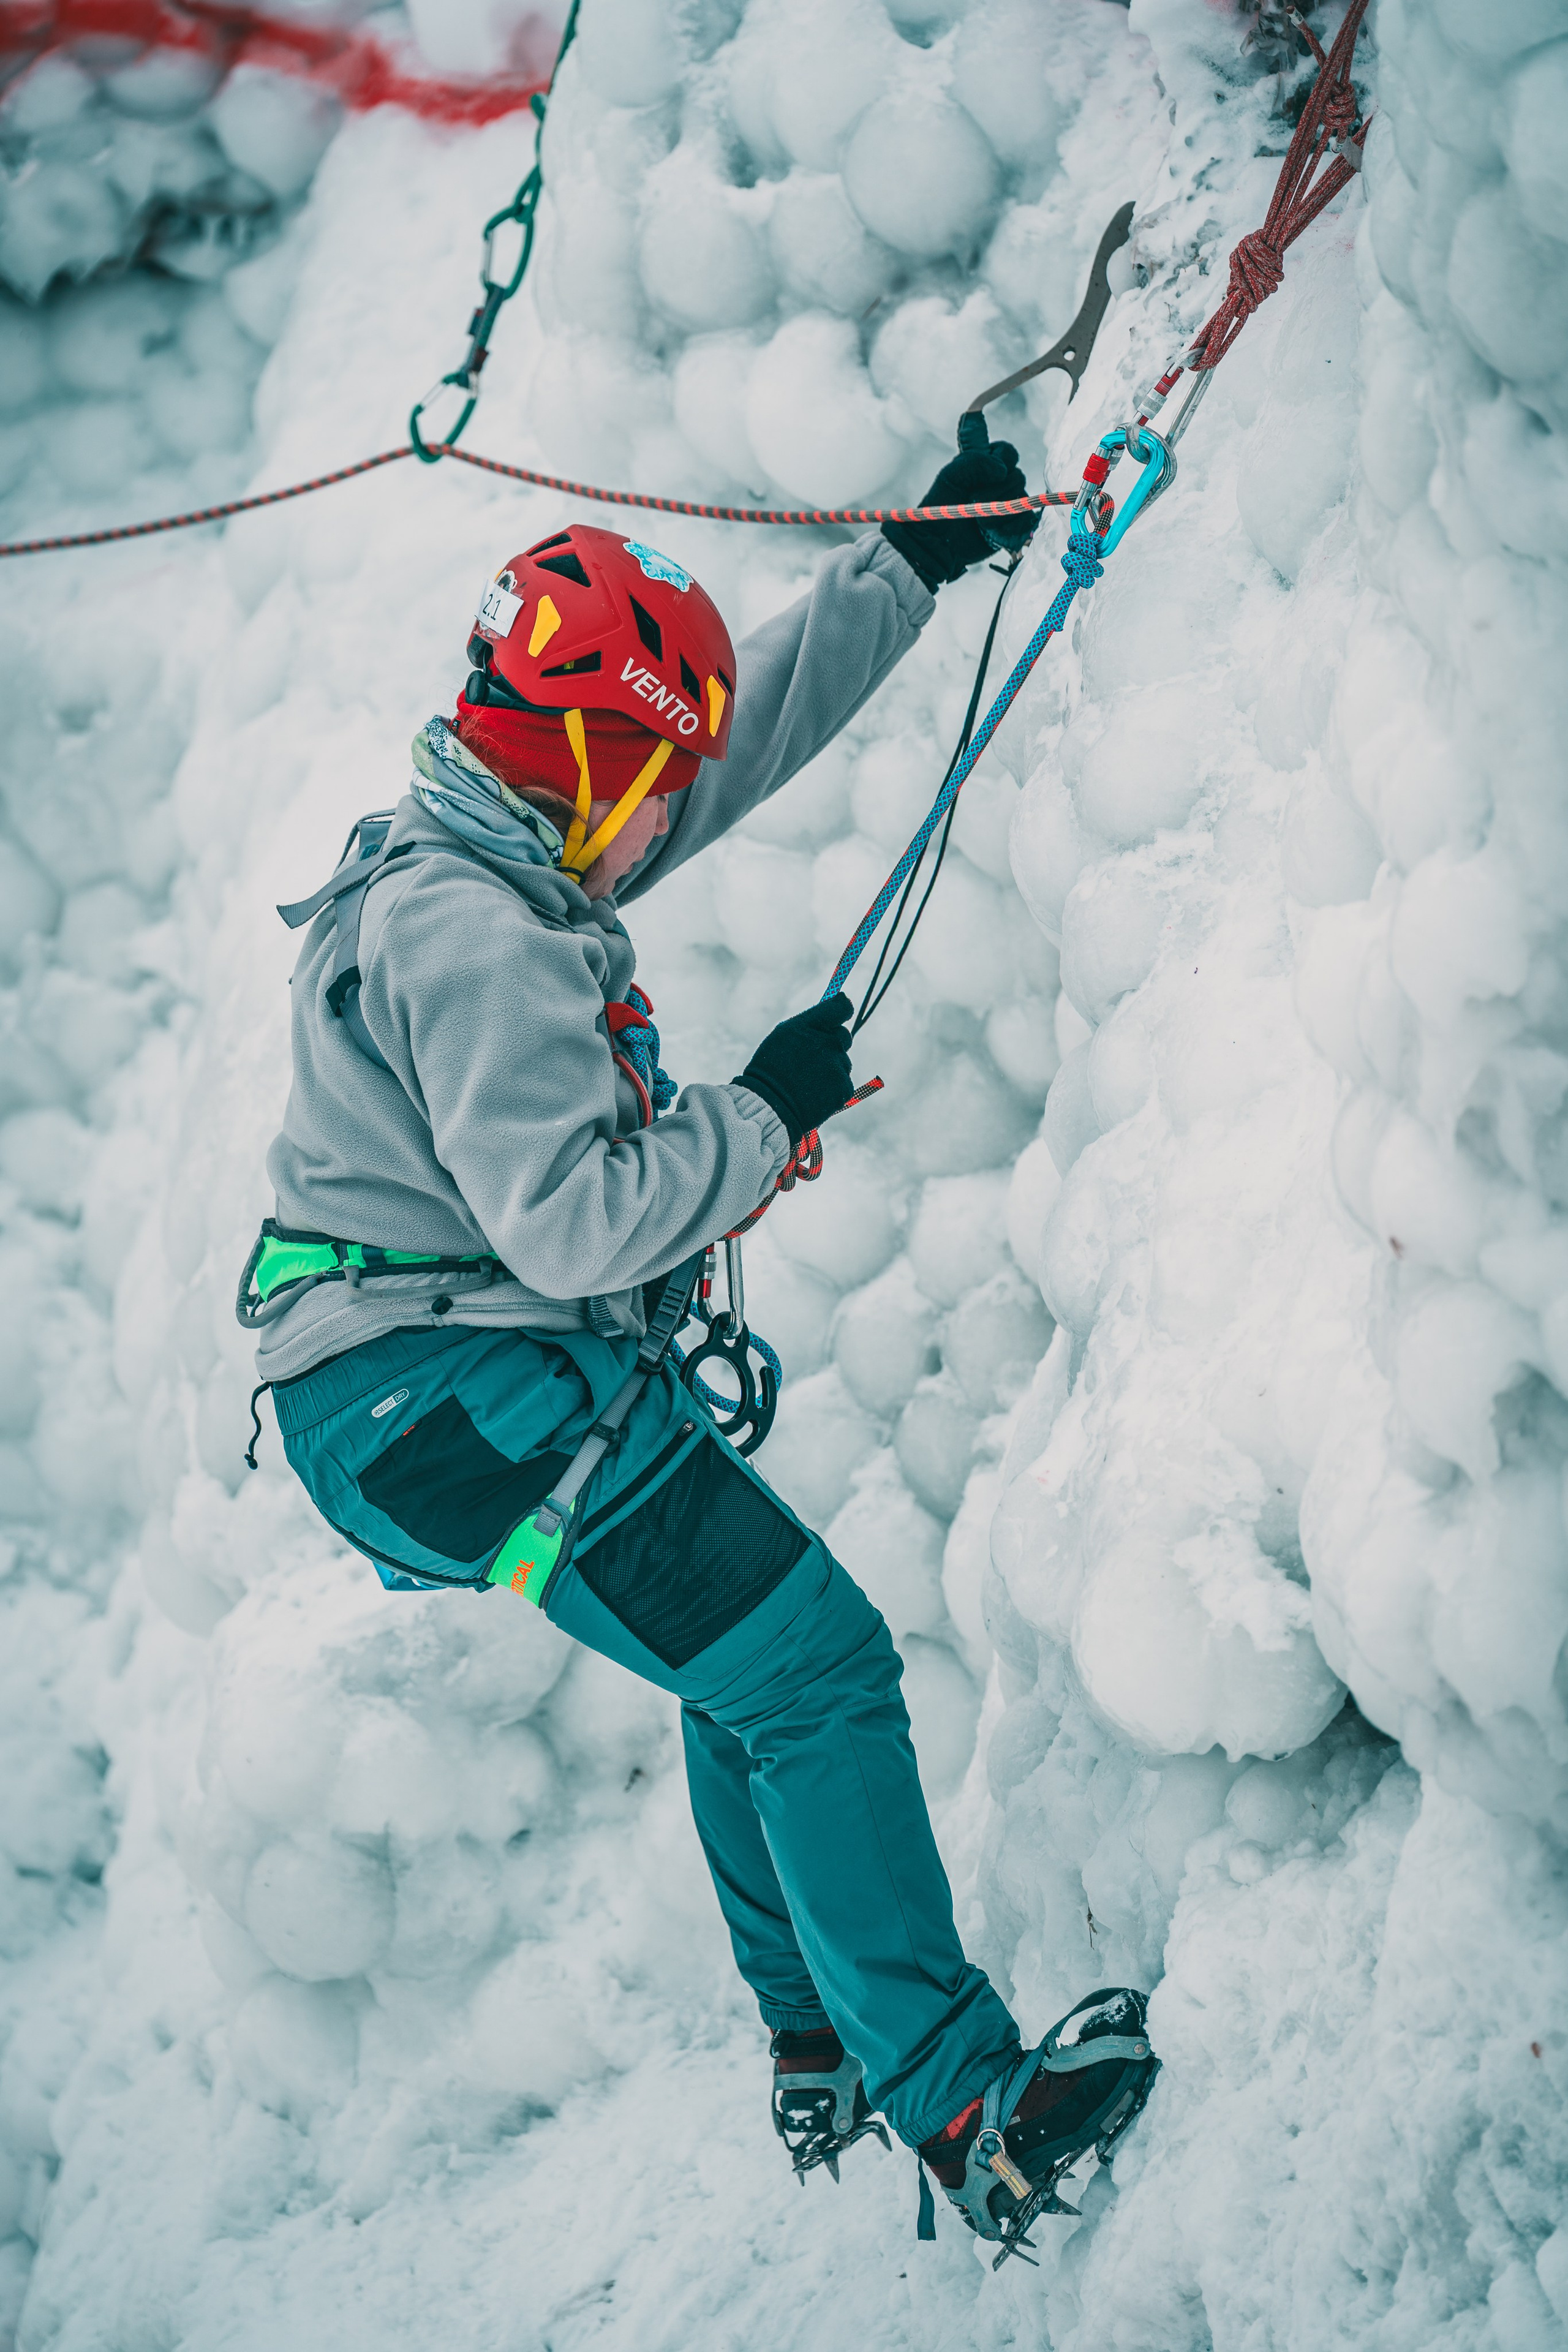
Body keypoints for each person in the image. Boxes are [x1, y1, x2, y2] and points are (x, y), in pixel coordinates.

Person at [239, 432, 1158, 2253]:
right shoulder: (473, 936)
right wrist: (754, 1115)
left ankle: (822, 2032)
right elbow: (575, 1220)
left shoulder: (479, 853)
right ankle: (970, 2113)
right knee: (812, 1671)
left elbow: (724, 767)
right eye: (648, 781)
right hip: (450, 1395)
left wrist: (912, 563)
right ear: (587, 761)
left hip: (431, 1390)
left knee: (755, 1670)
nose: (669, 818)